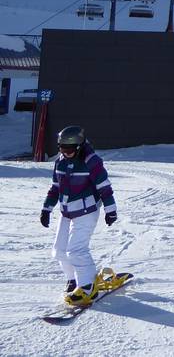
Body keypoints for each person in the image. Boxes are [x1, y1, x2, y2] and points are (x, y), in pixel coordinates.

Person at [41, 126, 118, 306]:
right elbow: (55, 188)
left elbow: (105, 187)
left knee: (76, 250)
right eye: (62, 149)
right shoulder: (60, 162)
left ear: (79, 146)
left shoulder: (92, 161)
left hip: (87, 212)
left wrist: (111, 210)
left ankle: (87, 287)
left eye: (69, 150)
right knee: (59, 251)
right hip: (67, 212)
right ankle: (74, 280)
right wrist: (46, 209)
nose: (65, 154)